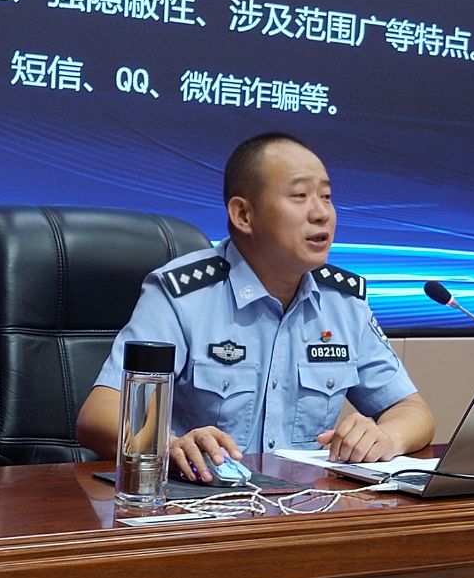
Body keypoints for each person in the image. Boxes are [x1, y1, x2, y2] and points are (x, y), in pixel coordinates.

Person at [75, 132, 435, 481]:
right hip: (200, 504)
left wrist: (385, 437)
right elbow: (99, 414)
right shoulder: (183, 295)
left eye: (326, 197)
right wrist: (169, 446)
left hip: (303, 506)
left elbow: (412, 411)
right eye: (300, 196)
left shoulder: (344, 303)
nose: (322, 213)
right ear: (243, 215)